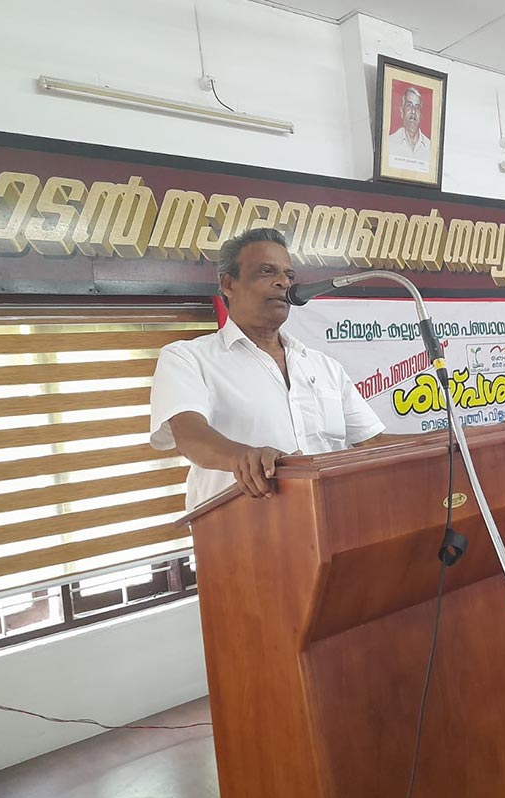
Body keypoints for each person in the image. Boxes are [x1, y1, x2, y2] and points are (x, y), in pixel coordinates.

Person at [149, 228, 396, 510]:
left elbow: (372, 442)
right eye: (267, 272)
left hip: (330, 521)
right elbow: (190, 437)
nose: (283, 283)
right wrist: (244, 457)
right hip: (239, 529)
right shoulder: (187, 358)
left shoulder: (324, 366)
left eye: (289, 275)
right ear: (228, 284)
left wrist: (440, 442)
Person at [387, 86, 431, 172]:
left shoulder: (430, 148)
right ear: (401, 111)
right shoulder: (389, 143)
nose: (413, 111)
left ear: (421, 115)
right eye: (409, 106)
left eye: (417, 107)